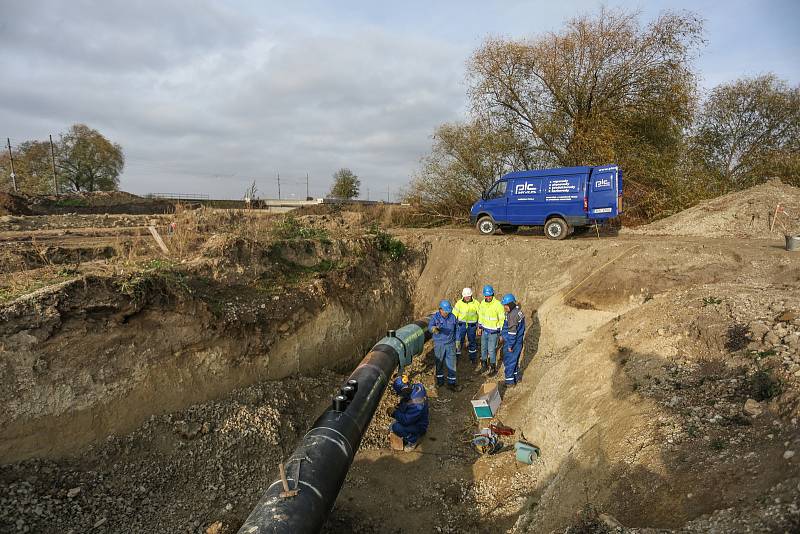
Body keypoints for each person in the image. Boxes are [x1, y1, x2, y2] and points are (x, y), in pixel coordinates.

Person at [387, 375, 429, 451]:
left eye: (400, 394)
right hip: (418, 418)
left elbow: (406, 420)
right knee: (395, 423)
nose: (400, 396)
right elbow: (406, 402)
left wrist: (394, 413)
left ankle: (413, 440)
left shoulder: (416, 405)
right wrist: (398, 407)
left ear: (404, 390)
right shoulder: (418, 387)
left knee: (396, 427)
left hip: (420, 425)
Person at [428, 299, 459, 390]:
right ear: (440, 310)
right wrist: (433, 329)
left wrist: (457, 340)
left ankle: (451, 383)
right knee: (439, 362)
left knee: (451, 364)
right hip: (439, 344)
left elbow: (457, 329)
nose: (447, 313)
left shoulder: (452, 317)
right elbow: (430, 327)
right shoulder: (435, 318)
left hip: (450, 343)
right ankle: (440, 382)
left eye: (448, 311)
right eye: (445, 311)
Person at [477, 285, 505, 375]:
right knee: (483, 349)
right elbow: (481, 316)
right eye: (486, 296)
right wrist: (479, 327)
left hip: (494, 332)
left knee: (492, 350)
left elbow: (502, 319)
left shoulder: (498, 304)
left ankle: (493, 368)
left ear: (493, 294)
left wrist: (501, 333)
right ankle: (484, 366)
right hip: (485, 331)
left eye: (489, 295)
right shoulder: (482, 303)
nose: (488, 297)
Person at [453, 287, 479, 363]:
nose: (467, 297)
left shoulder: (476, 303)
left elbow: (480, 314)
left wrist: (480, 326)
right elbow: (454, 314)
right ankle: (457, 357)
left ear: (471, 295)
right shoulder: (459, 303)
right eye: (465, 296)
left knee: (472, 341)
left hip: (472, 326)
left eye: (468, 296)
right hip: (461, 325)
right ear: (463, 296)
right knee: (459, 341)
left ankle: (473, 358)